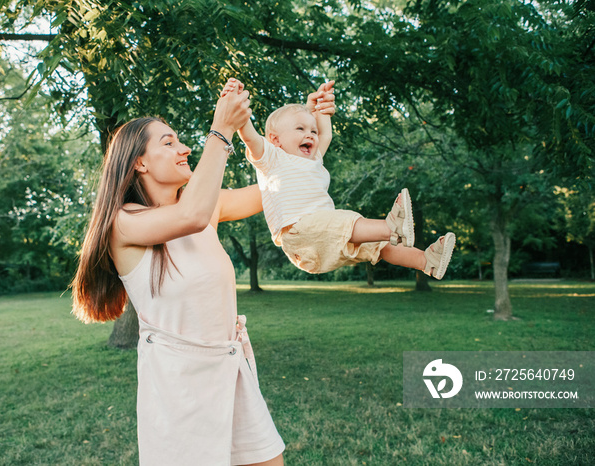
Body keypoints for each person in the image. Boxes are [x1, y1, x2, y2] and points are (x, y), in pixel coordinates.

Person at [71, 79, 285, 466]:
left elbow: (278, 190)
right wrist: (220, 131)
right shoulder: (123, 222)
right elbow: (191, 216)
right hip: (179, 387)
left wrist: (305, 132)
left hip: (230, 368)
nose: (183, 147)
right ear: (139, 162)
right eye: (168, 143)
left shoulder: (204, 206)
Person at [221, 79, 455, 279]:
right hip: (298, 234)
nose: (310, 135)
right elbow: (249, 136)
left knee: (378, 246)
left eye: (312, 131)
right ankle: (390, 226)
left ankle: (426, 261)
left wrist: (320, 109)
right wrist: (237, 103)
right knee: (347, 221)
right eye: (300, 129)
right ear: (275, 139)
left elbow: (327, 133)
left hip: (325, 235)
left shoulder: (314, 159)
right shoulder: (272, 158)